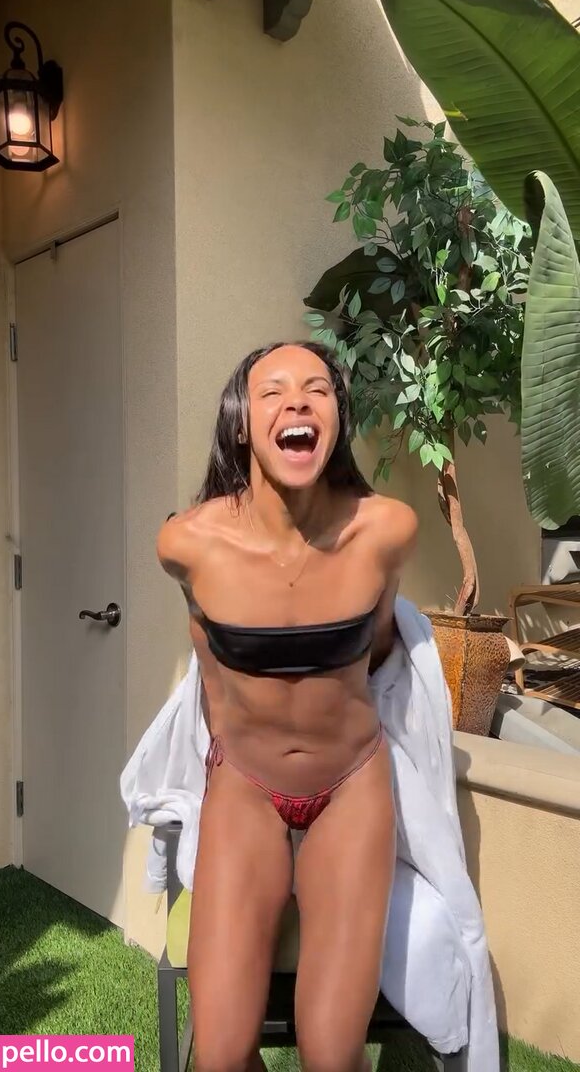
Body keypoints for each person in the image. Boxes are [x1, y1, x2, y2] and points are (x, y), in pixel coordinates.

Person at [156, 341, 417, 1072]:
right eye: (272, 391)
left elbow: (381, 648)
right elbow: (209, 662)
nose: (297, 401)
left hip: (350, 785)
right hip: (246, 784)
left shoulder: (385, 531)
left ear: (337, 420)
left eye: (316, 390)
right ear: (242, 422)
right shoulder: (188, 544)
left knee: (332, 1055)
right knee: (221, 1054)